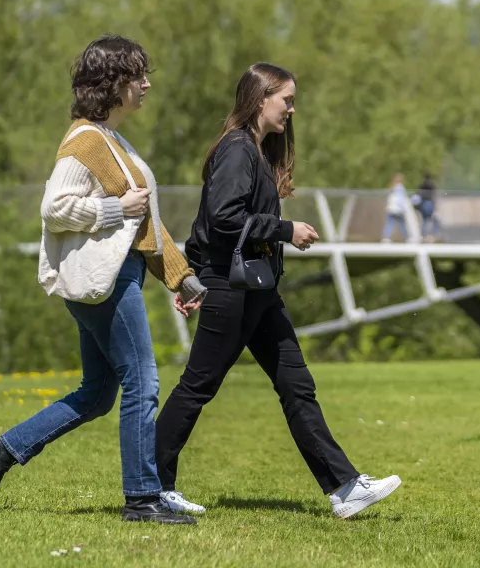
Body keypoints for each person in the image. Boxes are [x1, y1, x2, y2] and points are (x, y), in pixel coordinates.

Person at [0, 35, 205, 525]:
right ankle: (141, 497)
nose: (146, 83)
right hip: (107, 280)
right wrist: (116, 207)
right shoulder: (86, 141)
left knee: (97, 393)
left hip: (119, 274)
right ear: (112, 82)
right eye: (138, 75)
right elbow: (54, 209)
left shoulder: (113, 142)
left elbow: (148, 222)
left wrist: (182, 278)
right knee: (143, 380)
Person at [154, 62, 401, 519]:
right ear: (261, 98)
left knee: (296, 384)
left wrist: (190, 274)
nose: (292, 108)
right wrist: (285, 229)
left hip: (259, 288)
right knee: (198, 386)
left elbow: (204, 223)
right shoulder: (237, 150)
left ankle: (345, 489)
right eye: (286, 99)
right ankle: (151, 486)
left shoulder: (256, 152)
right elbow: (222, 216)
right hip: (232, 287)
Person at [382, 173, 410, 242]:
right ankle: (406, 237)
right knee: (402, 224)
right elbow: (401, 199)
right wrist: (403, 208)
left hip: (391, 209)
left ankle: (386, 238)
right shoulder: (400, 188)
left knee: (390, 223)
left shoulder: (392, 188)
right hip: (398, 209)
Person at [414, 173, 440, 241]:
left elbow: (417, 195)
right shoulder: (432, 185)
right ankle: (433, 234)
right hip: (429, 204)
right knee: (434, 220)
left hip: (423, 204)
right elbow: (434, 195)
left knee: (424, 220)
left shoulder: (421, 185)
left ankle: (423, 235)